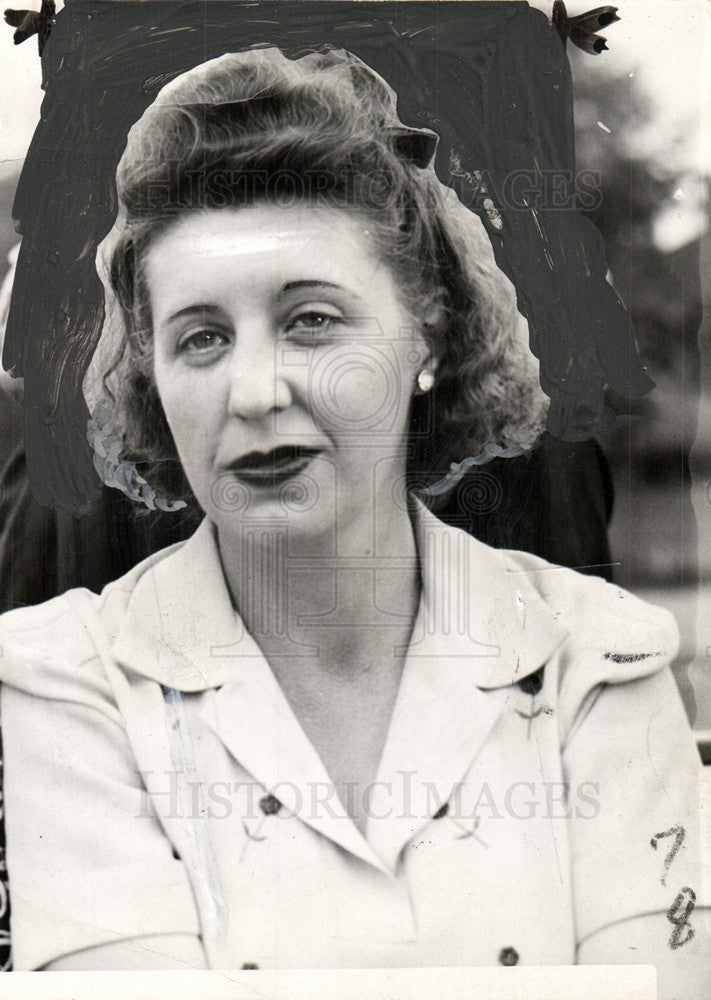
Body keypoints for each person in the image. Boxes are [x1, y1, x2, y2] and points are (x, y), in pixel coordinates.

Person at [0, 48, 706, 991]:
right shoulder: (64, 683)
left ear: (428, 335)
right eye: (201, 338)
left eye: (313, 321)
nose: (255, 392)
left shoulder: (597, 660)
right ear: (151, 380)